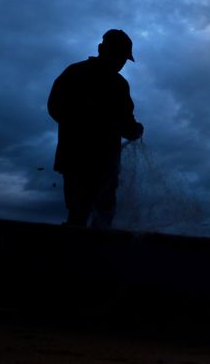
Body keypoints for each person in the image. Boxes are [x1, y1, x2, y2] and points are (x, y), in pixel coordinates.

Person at [48, 29, 144, 228]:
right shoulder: (75, 74)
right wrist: (89, 121)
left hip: (104, 164)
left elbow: (127, 122)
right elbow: (55, 107)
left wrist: (134, 129)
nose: (120, 62)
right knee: (80, 212)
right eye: (118, 56)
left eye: (123, 59)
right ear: (102, 49)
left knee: (102, 213)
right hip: (77, 160)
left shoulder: (119, 84)